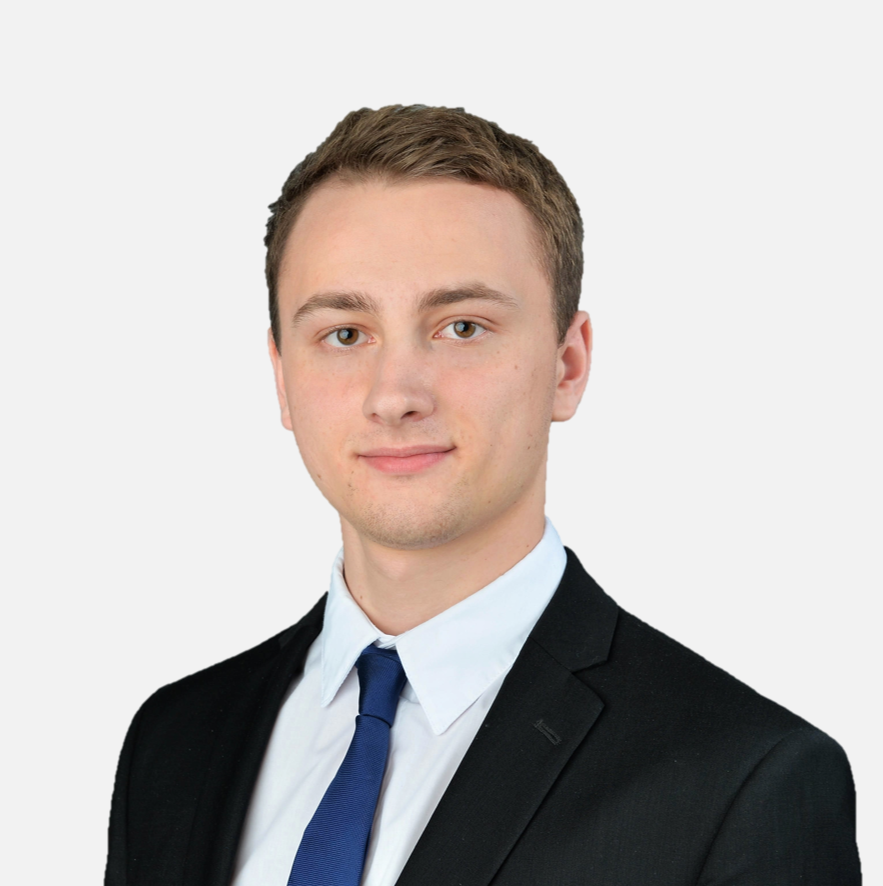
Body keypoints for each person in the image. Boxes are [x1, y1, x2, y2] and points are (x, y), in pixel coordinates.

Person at [105, 105, 861, 886]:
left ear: (567, 365)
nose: (394, 395)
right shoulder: (174, 742)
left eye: (461, 327)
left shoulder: (740, 783)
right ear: (281, 377)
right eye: (344, 334)